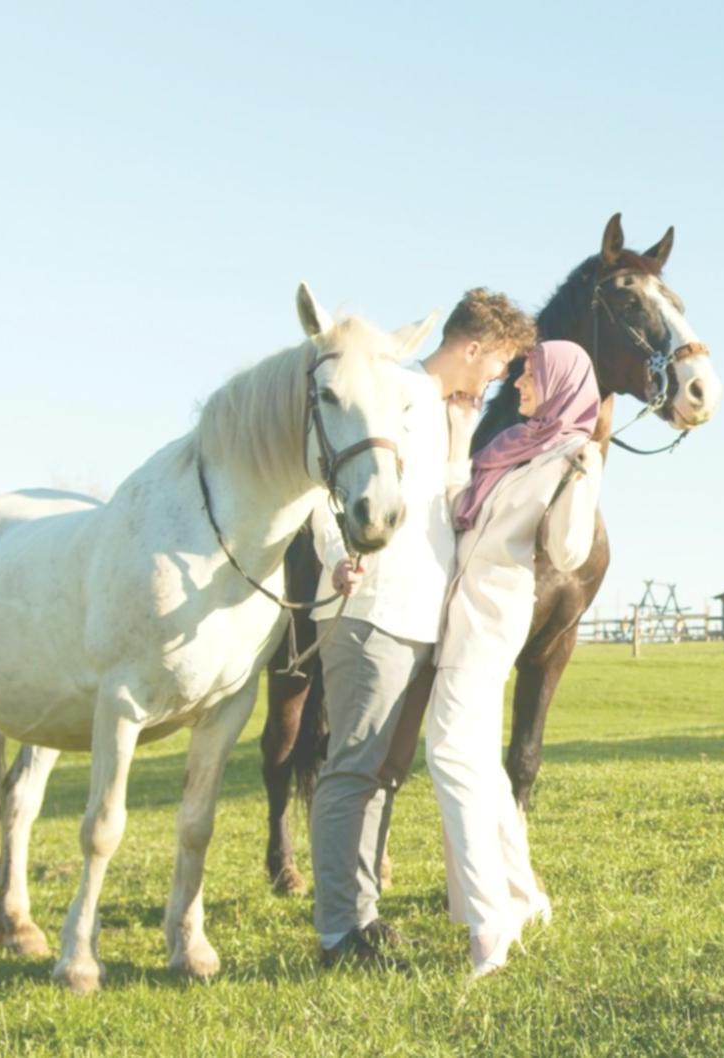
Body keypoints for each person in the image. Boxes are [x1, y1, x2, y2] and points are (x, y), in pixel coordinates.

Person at [307, 289, 537, 968]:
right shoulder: (393, 389)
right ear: (472, 348)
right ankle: (334, 934)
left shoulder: (441, 412)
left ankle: (363, 916)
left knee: (386, 772)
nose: (497, 378)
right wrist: (332, 554)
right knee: (352, 768)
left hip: (419, 615)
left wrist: (464, 439)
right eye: (497, 362)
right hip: (371, 608)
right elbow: (325, 486)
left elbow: (446, 507)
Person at [427, 339, 604, 977]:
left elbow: (567, 552)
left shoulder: (568, 454)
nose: (521, 382)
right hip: (458, 619)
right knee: (476, 762)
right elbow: (458, 512)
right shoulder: (515, 447)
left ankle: (488, 921)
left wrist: (584, 477)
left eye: (530, 374)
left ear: (557, 381)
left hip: (492, 621)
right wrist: (459, 437)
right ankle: (525, 898)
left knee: (447, 754)